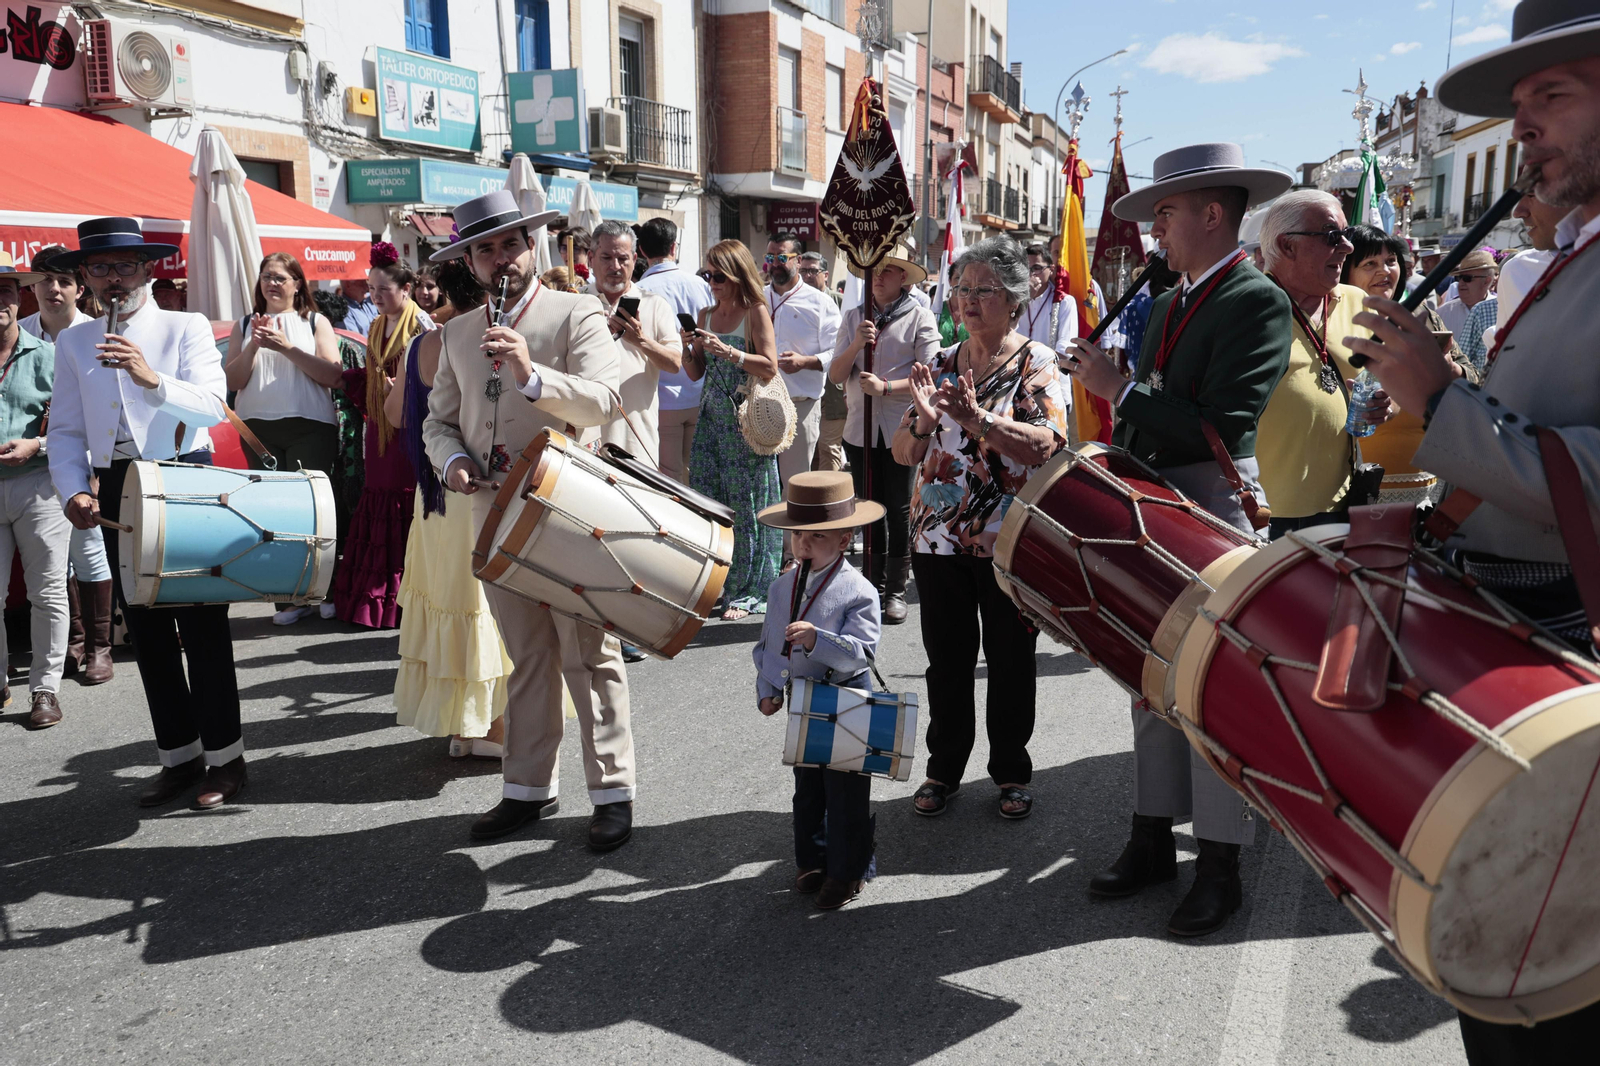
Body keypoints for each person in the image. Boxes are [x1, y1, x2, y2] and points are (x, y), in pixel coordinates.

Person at [1350, 7, 1600, 1057]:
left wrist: (1446, 408)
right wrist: (1433, 397)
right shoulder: (1570, 256)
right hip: (1520, 648)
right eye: (1518, 104)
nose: (1524, 125)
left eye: (1552, 95)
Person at [1067, 142, 1293, 937]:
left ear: (1211, 213)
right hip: (1155, 501)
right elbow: (1153, 406)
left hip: (1208, 506)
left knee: (1209, 689)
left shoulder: (1257, 300)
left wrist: (1119, 387)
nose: (1154, 228)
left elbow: (1226, 424)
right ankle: (1152, 832)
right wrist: (1118, 392)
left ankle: (1221, 862)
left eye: (1165, 212)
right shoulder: (1169, 301)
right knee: (1148, 677)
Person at [423, 188, 636, 849]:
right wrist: (452, 460)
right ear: (473, 262)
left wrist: (531, 373)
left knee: (590, 651)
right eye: (485, 249)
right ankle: (527, 789)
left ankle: (612, 792)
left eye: (510, 244)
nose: (499, 258)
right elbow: (438, 421)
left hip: (570, 509)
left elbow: (606, 398)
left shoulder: (577, 315)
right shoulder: (457, 332)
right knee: (527, 654)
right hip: (494, 515)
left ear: (532, 247)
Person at [48, 217, 243, 809]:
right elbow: (64, 430)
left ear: (148, 269)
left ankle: (226, 762)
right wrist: (72, 489)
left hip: (184, 479)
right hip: (118, 486)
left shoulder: (185, 326)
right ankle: (178, 759)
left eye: (125, 266)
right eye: (101, 268)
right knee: (149, 632)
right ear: (84, 277)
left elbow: (215, 407)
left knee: (202, 626)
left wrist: (150, 377)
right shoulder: (73, 342)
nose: (114, 279)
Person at [893, 235, 1069, 823]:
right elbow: (901, 453)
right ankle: (943, 768)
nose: (967, 300)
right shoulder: (940, 362)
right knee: (946, 658)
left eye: (983, 290)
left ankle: (1011, 772)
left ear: (1014, 299)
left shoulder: (1036, 363)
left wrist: (980, 420)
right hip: (935, 539)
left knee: (1010, 656)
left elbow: (1046, 445)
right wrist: (923, 417)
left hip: (1008, 538)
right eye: (961, 289)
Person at [383, 254, 510, 759]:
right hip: (473, 486)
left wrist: (400, 389)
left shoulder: (418, 344)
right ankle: (492, 728)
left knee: (448, 599)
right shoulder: (481, 340)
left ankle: (463, 729)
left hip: (432, 491)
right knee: (482, 604)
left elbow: (395, 418)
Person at [752, 471, 884, 910]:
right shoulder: (780, 586)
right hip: (803, 701)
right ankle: (812, 859)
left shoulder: (858, 590)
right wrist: (769, 686)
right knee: (807, 787)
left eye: (815, 537)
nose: (802, 546)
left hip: (847, 699)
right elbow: (769, 643)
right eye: (796, 537)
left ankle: (849, 871)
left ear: (845, 540)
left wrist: (816, 640)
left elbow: (862, 654)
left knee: (846, 792)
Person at [1254, 190, 1387, 535]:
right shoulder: (1246, 309)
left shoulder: (1358, 301)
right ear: (1287, 246)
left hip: (1343, 507)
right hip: (1263, 514)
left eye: (1347, 233)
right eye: (1332, 236)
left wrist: (1385, 405)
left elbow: (1389, 385)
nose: (1348, 246)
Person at [223, 252, 344, 625]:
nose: (272, 283)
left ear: (297, 284)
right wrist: (256, 345)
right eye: (266, 277)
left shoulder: (314, 321)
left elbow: (333, 375)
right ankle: (289, 598)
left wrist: (285, 347)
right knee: (273, 515)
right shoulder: (244, 325)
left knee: (313, 512)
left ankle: (324, 588)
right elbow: (233, 382)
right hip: (258, 429)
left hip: (310, 425)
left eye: (280, 277)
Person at [828, 245, 941, 624]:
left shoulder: (920, 318)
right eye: (875, 269)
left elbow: (931, 376)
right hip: (859, 430)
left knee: (898, 508)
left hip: (902, 428)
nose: (879, 276)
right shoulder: (855, 317)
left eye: (889, 270)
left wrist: (886, 387)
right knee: (867, 507)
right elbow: (835, 374)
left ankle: (895, 589)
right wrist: (858, 343)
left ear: (904, 278)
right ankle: (870, 584)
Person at [20, 246, 113, 685]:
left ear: (79, 288)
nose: (52, 289)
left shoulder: (96, 335)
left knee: (90, 551)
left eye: (62, 281)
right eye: (44, 280)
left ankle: (100, 647)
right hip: (34, 470)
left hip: (85, 462)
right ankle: (74, 640)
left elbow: (107, 411)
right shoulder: (18, 333)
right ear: (32, 286)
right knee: (60, 562)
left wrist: (90, 467)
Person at [331, 243, 431, 630]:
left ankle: (403, 596)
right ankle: (374, 596)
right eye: (371, 289)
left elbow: (436, 380)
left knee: (401, 506)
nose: (375, 296)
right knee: (378, 500)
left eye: (383, 290)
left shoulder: (421, 326)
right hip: (378, 426)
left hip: (408, 430)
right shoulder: (375, 324)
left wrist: (401, 391)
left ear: (406, 288)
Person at [1341, 225, 1477, 499]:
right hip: (1357, 484)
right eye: (1370, 263)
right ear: (1346, 271)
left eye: (1390, 261)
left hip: (1428, 481)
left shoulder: (1422, 316)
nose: (1384, 271)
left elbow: (1474, 378)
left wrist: (1450, 369)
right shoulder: (1333, 319)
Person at [685, 240, 782, 620]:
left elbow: (770, 366)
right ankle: (718, 582)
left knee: (747, 505)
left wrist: (730, 353)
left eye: (718, 275)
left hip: (744, 423)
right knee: (709, 501)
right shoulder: (705, 313)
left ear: (737, 273)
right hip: (711, 421)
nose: (711, 281)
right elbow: (696, 372)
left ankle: (748, 587)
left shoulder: (754, 311)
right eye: (707, 274)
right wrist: (687, 348)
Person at [0, 253, 71, 728]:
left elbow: (73, 426)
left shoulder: (48, 356)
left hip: (39, 484)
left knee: (47, 592)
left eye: (5, 289)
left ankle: (44, 689)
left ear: (17, 295)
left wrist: (37, 443)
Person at [764, 231, 841, 560]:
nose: (775, 264)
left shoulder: (820, 303)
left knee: (794, 485)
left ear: (798, 260)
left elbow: (836, 353)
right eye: (771, 258)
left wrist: (806, 362)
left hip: (801, 407)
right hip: (758, 407)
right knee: (762, 486)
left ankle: (789, 557)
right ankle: (761, 555)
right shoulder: (758, 298)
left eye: (782, 257)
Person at [588, 219, 683, 468]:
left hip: (636, 442)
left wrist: (641, 341)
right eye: (606, 258)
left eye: (622, 259)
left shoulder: (654, 304)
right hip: (586, 440)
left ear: (634, 259)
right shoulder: (575, 303)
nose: (615, 266)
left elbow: (675, 364)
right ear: (591, 258)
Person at [636, 217, 714, 483]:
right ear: (674, 248)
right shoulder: (701, 285)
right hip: (700, 390)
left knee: (670, 480)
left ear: (641, 251)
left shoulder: (639, 292)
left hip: (662, 398)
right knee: (698, 477)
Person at [800, 252, 848, 473]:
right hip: (803, 389)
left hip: (833, 390)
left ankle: (829, 498)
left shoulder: (839, 302)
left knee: (828, 447)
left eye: (813, 271)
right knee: (806, 450)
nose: (807, 275)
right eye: (803, 270)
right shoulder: (795, 302)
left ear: (826, 275)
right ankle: (810, 497)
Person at [1020, 243, 1079, 361]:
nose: (1031, 274)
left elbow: (1066, 349)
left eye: (1036, 268)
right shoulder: (1015, 301)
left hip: (1052, 373)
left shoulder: (1064, 302)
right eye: (1026, 268)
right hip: (1018, 374)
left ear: (1051, 269)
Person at [1435, 249, 1497, 350]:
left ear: (1486, 281)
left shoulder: (1501, 309)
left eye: (1468, 278)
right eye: (1459, 278)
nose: (1461, 283)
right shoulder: (1443, 313)